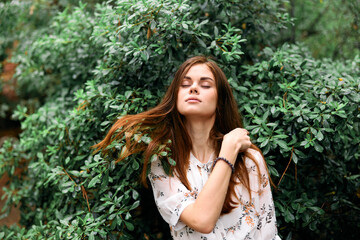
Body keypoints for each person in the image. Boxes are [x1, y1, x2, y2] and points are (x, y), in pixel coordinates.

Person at [94, 56, 281, 239]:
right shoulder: (164, 162)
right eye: (185, 84)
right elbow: (202, 221)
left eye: (205, 85)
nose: (193, 88)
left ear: (220, 101)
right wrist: (228, 152)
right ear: (175, 97)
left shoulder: (248, 159)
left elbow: (267, 232)